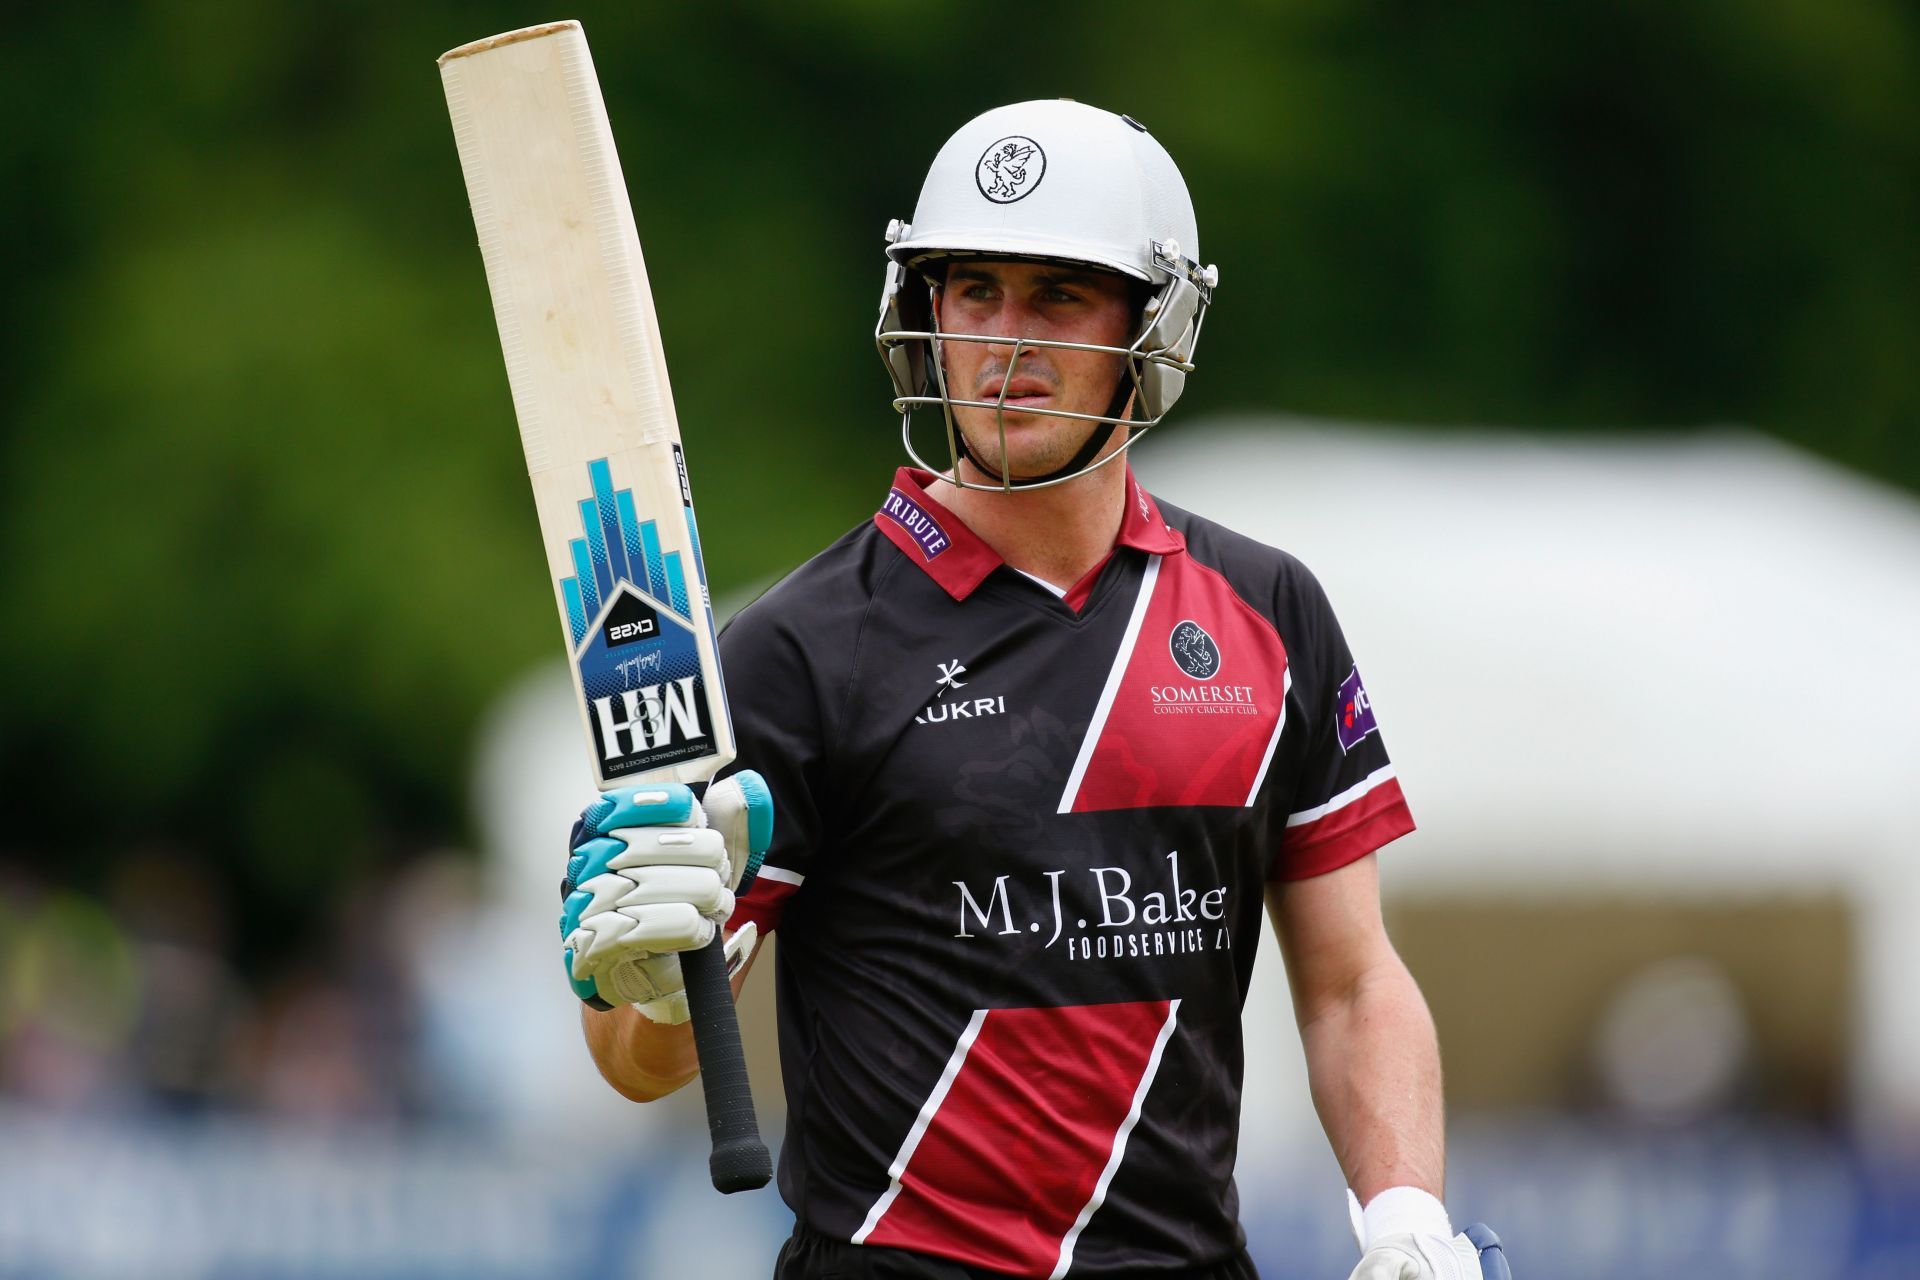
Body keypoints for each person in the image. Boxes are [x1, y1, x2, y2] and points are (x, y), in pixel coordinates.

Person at [558, 100, 1503, 1280]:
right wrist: (644, 984)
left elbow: (1355, 978)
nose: (1006, 339)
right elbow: (639, 1056)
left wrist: (1406, 1215)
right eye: (973, 291)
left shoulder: (1270, 613)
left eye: (1058, 295)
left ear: (1154, 324)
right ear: (926, 314)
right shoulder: (799, 649)